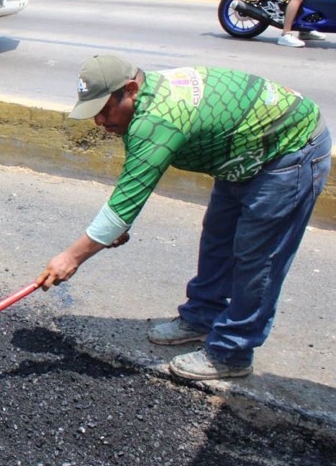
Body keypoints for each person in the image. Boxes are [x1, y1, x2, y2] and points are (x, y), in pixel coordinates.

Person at [36, 54, 331, 381]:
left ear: (131, 89)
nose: (100, 122)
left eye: (105, 110)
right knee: (217, 238)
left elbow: (122, 207)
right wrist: (113, 229)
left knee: (257, 259)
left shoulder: (158, 119)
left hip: (289, 150)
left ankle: (232, 352)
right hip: (242, 153)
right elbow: (130, 191)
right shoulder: (143, 105)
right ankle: (202, 316)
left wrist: (72, 257)